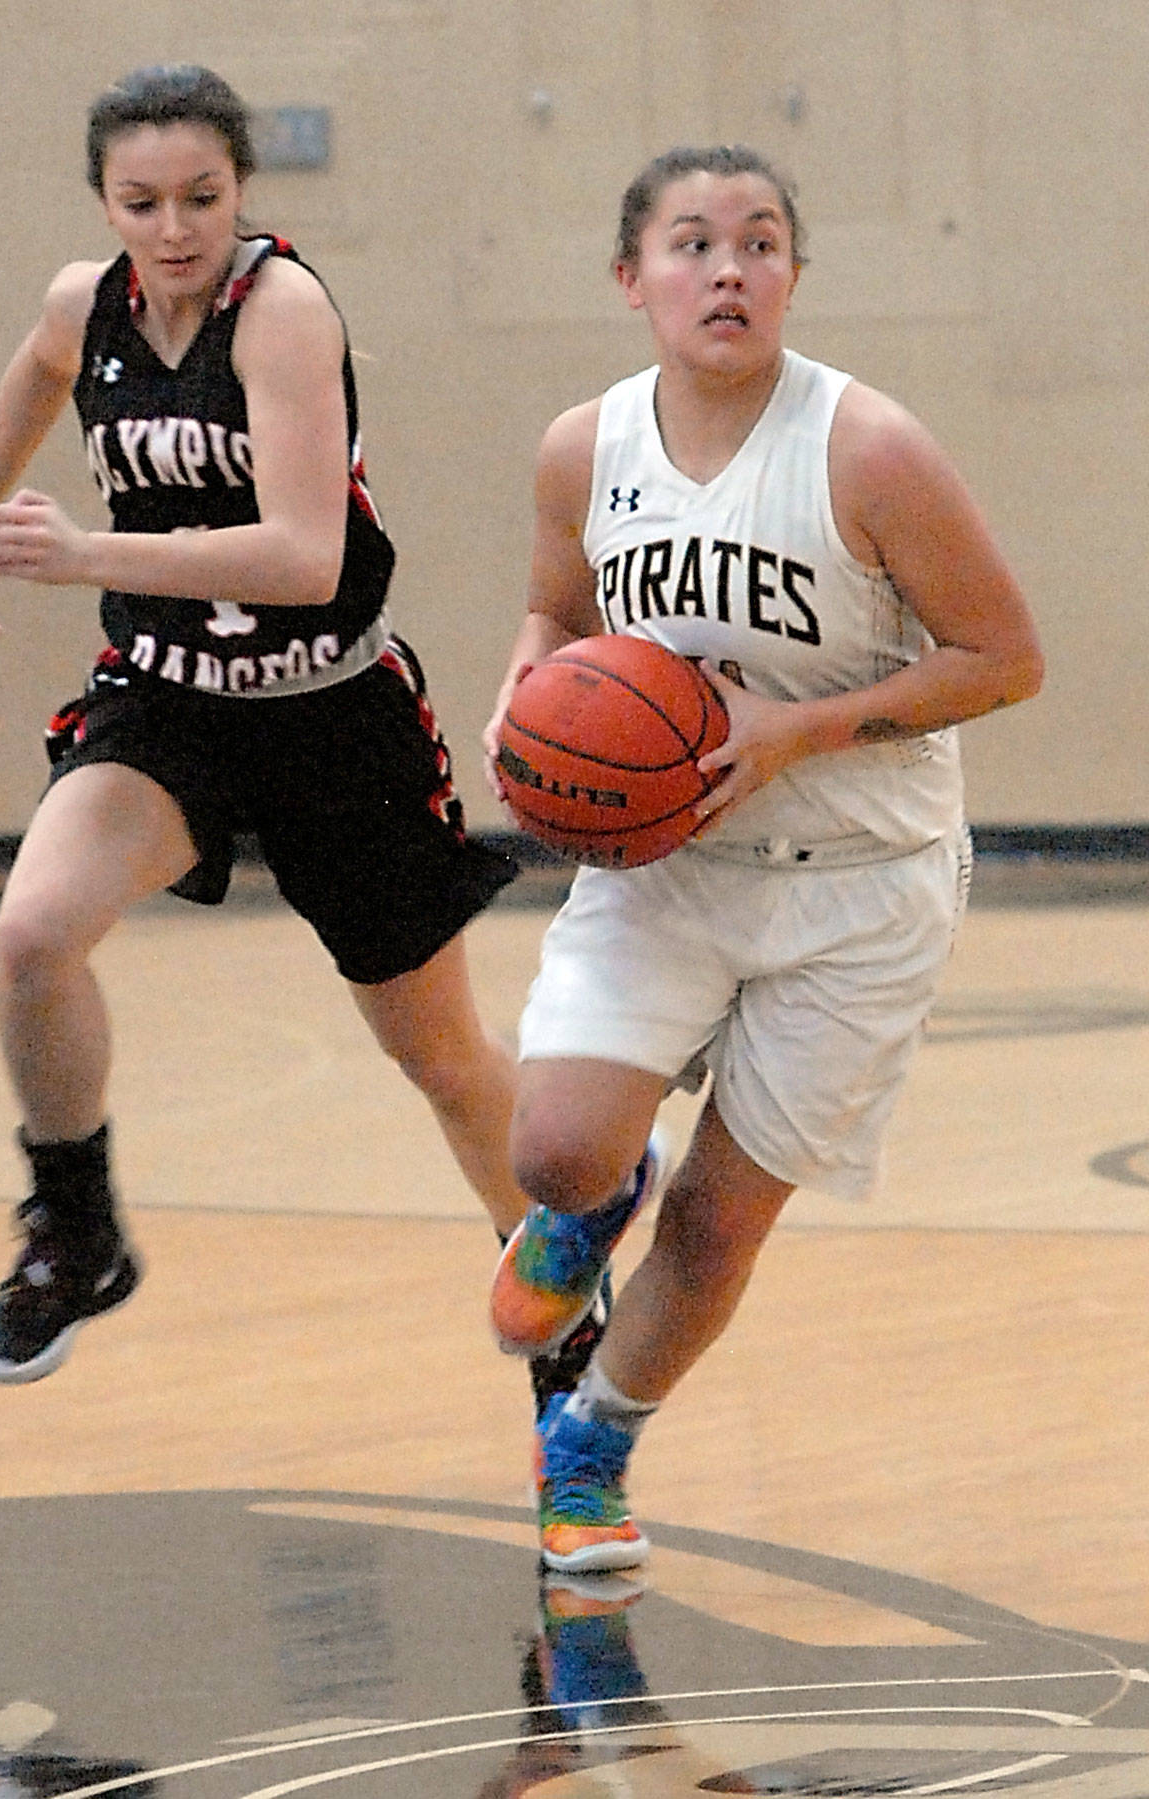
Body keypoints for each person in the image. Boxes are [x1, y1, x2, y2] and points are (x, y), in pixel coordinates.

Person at [0, 63, 599, 1400]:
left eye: (201, 198)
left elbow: (302, 553)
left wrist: (77, 550)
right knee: (31, 937)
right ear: (103, 204)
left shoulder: (280, 313)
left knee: (443, 1059)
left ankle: (566, 1298)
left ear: (242, 190)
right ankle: (78, 1231)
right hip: (169, 699)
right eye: (140, 202)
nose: (173, 229)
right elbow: (36, 370)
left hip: (329, 714)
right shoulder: (87, 303)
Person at [484, 144, 1044, 1573]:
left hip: (861, 882)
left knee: (724, 1224)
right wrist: (524, 693)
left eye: (761, 242)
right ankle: (596, 1198)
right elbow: (556, 619)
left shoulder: (869, 447)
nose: (727, 268)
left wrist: (806, 727)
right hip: (671, 860)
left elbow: (1006, 658)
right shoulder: (582, 446)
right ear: (633, 279)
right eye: (691, 243)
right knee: (552, 1147)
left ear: (793, 273)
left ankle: (595, 1442)